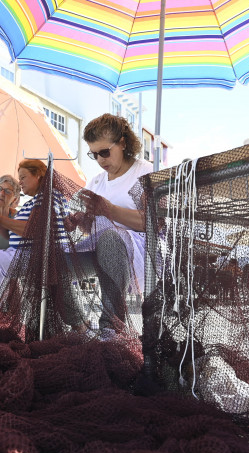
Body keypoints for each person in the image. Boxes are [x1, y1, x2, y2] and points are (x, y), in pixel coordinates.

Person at [75, 113, 156, 329]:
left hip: (139, 252)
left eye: (105, 152)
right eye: (94, 155)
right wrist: (79, 221)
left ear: (122, 142)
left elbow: (154, 223)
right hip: (99, 249)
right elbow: (88, 231)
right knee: (52, 259)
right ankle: (77, 324)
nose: (101, 160)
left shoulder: (145, 172)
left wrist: (110, 210)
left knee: (110, 238)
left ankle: (110, 327)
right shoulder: (96, 182)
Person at [0, 160, 68, 307]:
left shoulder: (49, 197)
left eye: (23, 177)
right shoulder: (32, 202)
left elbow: (35, 230)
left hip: (39, 256)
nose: (20, 183)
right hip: (23, 254)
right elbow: (11, 236)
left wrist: (0, 218)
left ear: (38, 175)